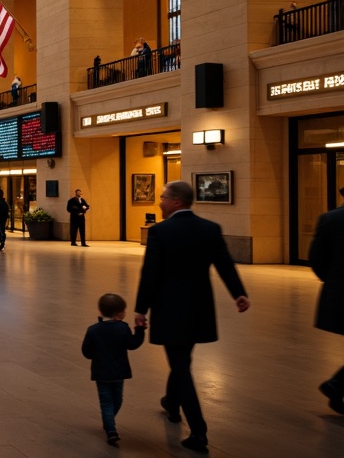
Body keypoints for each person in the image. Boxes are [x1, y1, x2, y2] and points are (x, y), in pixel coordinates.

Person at [134, 180, 250, 454]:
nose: (159, 201)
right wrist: (238, 293)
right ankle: (171, 403)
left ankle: (199, 431)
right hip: (200, 308)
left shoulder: (161, 231)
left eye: (162, 197)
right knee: (182, 359)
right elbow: (225, 264)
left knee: (180, 366)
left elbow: (150, 274)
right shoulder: (210, 229)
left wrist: (141, 309)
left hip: (170, 309)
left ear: (176, 201)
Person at [81, 293, 146, 446]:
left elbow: (86, 352)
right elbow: (133, 344)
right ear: (119, 314)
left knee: (106, 402)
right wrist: (140, 330)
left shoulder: (93, 330)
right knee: (117, 400)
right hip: (118, 372)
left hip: (101, 373)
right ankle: (111, 429)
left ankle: (108, 421)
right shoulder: (122, 328)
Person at [308, 191, 344, 414]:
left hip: (338, 294)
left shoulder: (329, 219)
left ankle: (337, 385)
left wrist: (333, 282)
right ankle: (336, 384)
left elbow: (316, 259)